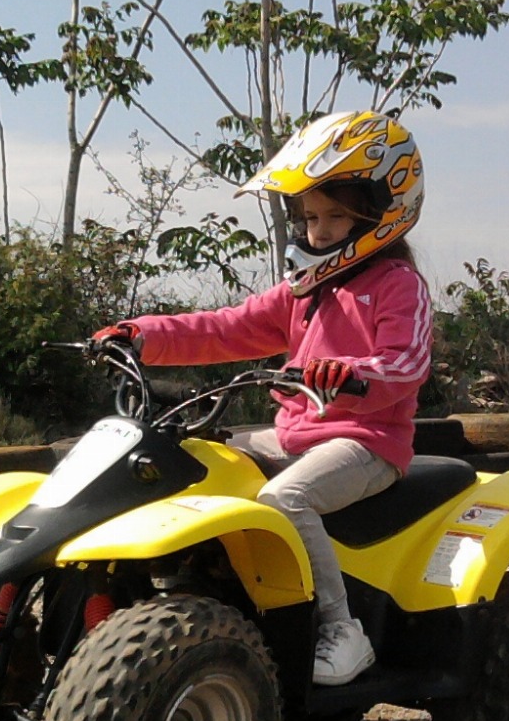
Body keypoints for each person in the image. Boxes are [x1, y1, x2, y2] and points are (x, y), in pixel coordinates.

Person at [93, 109, 431, 685]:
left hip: (367, 442)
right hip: (296, 433)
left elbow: (405, 364)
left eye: (334, 217)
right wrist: (141, 334)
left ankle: (340, 630)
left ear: (381, 212)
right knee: (184, 465)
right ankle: (188, 600)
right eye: (309, 217)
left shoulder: (397, 285)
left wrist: (346, 374)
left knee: (284, 500)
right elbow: (223, 327)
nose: (318, 232)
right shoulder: (304, 290)